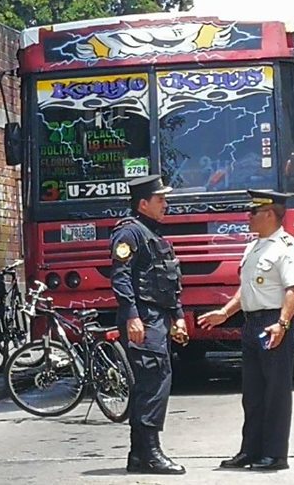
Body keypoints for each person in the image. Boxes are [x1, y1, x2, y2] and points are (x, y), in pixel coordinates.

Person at [197, 190, 294, 471]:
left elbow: (292, 291)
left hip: (273, 322)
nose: (248, 217)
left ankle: (275, 455)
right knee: (252, 393)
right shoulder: (253, 247)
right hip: (252, 322)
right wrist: (225, 312)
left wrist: (281, 324)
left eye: (252, 212)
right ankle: (251, 451)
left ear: (269, 214)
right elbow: (246, 290)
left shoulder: (287, 247)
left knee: (276, 393)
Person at [110, 174, 187, 475]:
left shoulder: (153, 234)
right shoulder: (129, 234)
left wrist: (178, 315)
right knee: (153, 382)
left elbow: (167, 281)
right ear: (143, 203)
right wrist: (132, 316)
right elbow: (121, 277)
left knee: (154, 380)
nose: (165, 204)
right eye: (160, 200)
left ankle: (138, 455)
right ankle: (151, 454)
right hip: (143, 319)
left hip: (157, 318)